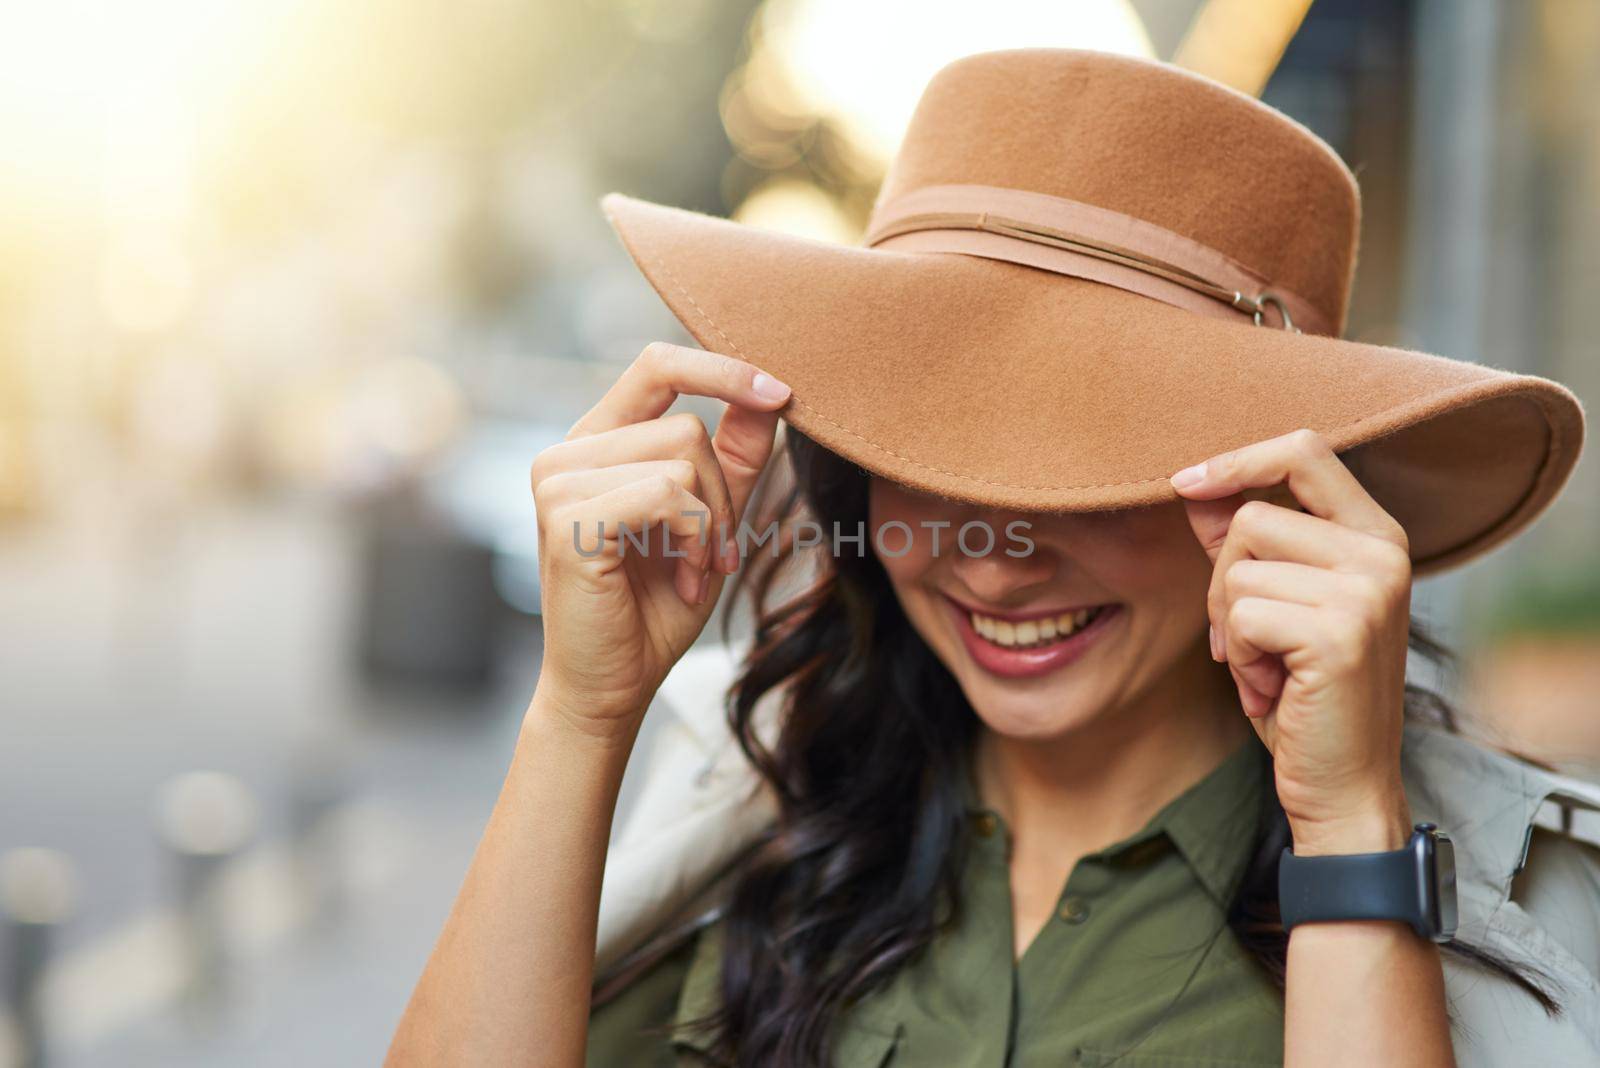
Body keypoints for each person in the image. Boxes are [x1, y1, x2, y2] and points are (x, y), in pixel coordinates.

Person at [386, 50, 1599, 1067]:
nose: (1000, 561)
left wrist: (1349, 831)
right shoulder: (756, 789)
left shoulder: (1519, 898)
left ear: (1278, 489)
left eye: (1101, 466)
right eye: (930, 448)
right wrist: (582, 714)